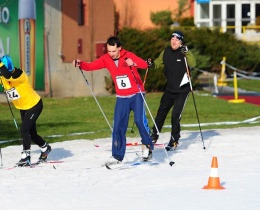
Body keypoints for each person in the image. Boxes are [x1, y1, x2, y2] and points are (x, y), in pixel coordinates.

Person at [73, 36, 154, 167]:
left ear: (119, 48)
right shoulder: (106, 59)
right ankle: (117, 155)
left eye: (113, 51)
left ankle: (147, 146)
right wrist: (80, 63)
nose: (111, 54)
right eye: (109, 51)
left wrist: (133, 63)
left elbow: (144, 64)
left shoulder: (128, 55)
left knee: (139, 120)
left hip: (136, 93)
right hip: (122, 97)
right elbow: (91, 66)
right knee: (118, 126)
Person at [0, 55, 52, 167]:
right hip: (23, 108)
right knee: (32, 133)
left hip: (34, 105)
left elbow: (8, 75)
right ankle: (45, 148)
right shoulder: (3, 76)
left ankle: (25, 157)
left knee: (24, 130)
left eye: (3, 67)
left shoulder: (19, 74)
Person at [148, 30, 197, 151]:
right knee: (161, 112)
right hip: (170, 89)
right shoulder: (166, 52)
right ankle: (154, 135)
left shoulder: (184, 52)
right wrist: (150, 64)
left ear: (181, 42)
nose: (173, 41)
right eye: (172, 39)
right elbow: (157, 64)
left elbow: (193, 64)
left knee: (175, 115)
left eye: (176, 40)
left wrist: (187, 52)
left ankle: (174, 140)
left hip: (182, 90)